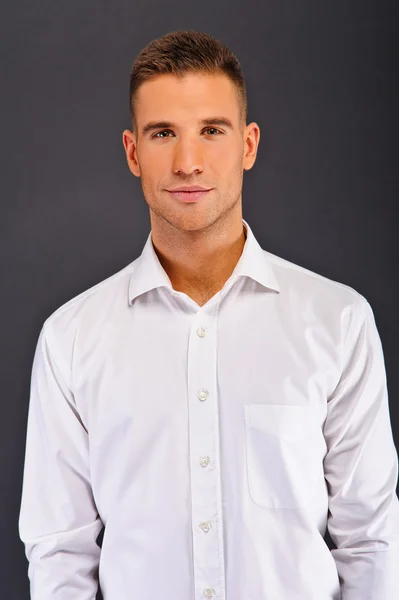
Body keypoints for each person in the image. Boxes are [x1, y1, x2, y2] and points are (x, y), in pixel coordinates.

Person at [18, 29, 399, 600]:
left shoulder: (337, 322)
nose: (188, 161)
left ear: (247, 145)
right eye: (163, 133)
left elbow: (370, 539)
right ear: (132, 152)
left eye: (211, 131)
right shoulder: (71, 339)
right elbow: (59, 554)